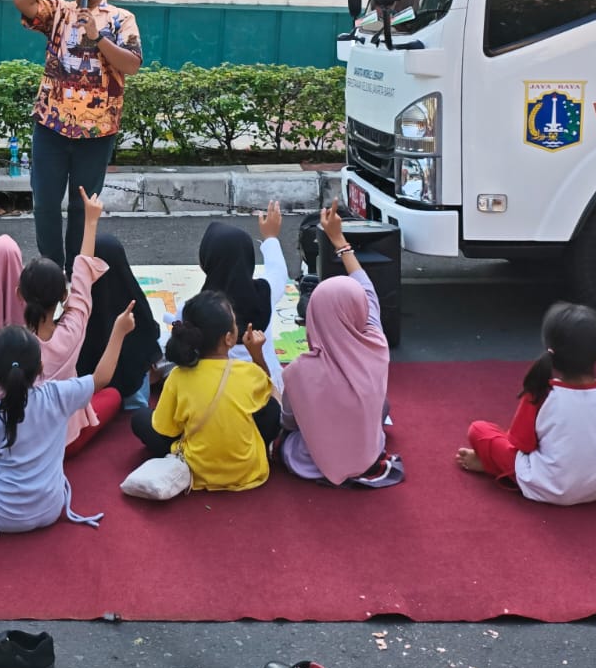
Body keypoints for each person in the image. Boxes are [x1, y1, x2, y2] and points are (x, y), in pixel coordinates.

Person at [0, 310, 137, 536]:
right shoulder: (57, 395)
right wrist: (119, 331)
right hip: (52, 507)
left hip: (2, 515)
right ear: (40, 367)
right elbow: (101, 378)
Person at [13, 0, 143, 265]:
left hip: (97, 132)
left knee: (82, 207)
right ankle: (51, 271)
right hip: (51, 126)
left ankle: (77, 270)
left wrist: (98, 37)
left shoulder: (121, 18)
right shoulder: (59, 11)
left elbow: (131, 65)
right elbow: (22, 1)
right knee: (45, 203)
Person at [279, 206, 403, 488]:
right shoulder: (376, 344)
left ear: (314, 315)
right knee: (381, 405)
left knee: (284, 431)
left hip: (309, 461)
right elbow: (367, 291)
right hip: (368, 453)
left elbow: (288, 422)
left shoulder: (299, 371)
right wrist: (339, 241)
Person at [0, 189, 116, 457]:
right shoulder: (71, 331)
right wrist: (91, 221)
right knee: (112, 397)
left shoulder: (10, 346)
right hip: (67, 439)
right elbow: (82, 277)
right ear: (63, 296)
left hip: (21, 443)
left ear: (18, 295)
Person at [456, 303, 596, 506]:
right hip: (595, 488)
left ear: (551, 353)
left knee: (479, 429)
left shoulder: (542, 393)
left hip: (545, 486)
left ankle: (492, 465)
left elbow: (521, 445)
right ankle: (495, 465)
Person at [129, 291, 279, 492]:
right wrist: (257, 355)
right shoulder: (248, 372)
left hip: (195, 469)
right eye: (235, 323)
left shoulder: (178, 376)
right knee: (271, 408)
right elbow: (269, 394)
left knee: (140, 418)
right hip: (248, 471)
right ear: (229, 338)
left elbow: (166, 429)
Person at [192, 205, 289, 396]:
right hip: (265, 384)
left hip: (213, 391)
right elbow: (278, 271)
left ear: (206, 261)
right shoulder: (266, 292)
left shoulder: (194, 307)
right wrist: (270, 237)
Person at [78, 234, 163, 410]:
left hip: (90, 398)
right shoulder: (133, 301)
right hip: (134, 394)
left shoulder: (80, 308)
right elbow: (150, 333)